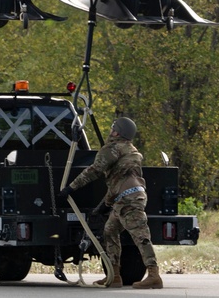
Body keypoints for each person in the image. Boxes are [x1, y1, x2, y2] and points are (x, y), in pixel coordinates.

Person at [59, 116, 162, 289]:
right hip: (128, 196)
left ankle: (154, 275)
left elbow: (94, 171)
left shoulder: (112, 149)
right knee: (110, 230)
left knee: (140, 235)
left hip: (128, 199)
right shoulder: (131, 150)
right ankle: (114, 276)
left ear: (117, 132)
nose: (110, 132)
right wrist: (103, 207)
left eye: (113, 129)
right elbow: (117, 182)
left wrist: (71, 188)